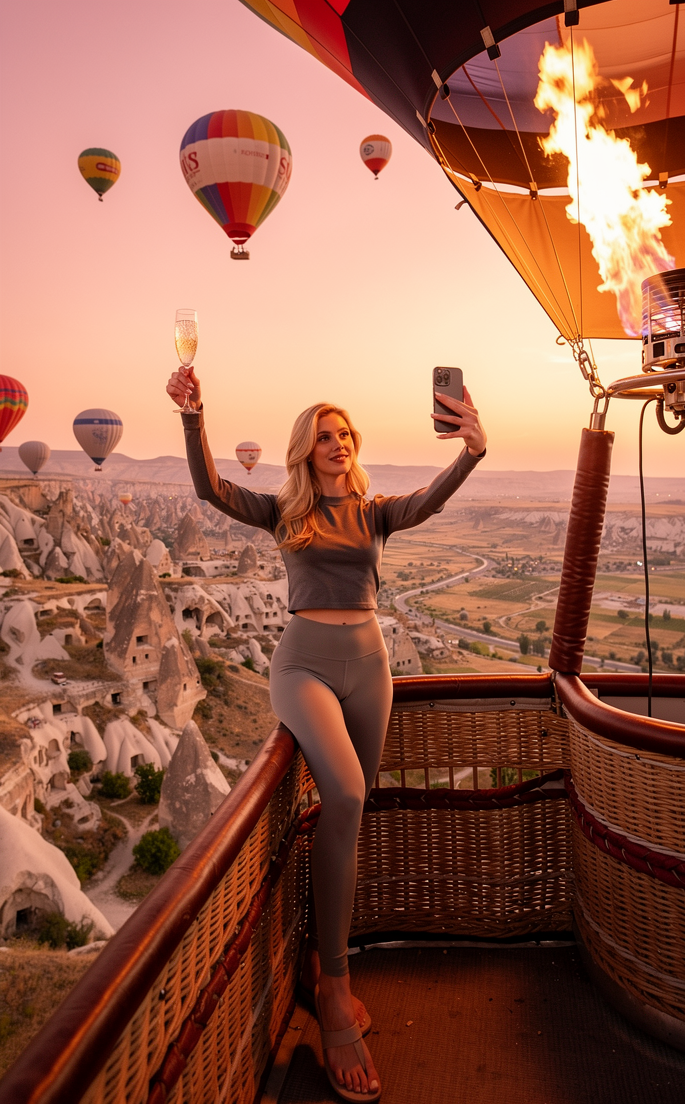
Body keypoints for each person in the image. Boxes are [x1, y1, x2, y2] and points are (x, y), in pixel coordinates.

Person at [167, 366, 487, 1102]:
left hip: (371, 666)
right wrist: (194, 414)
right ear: (304, 450)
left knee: (353, 809)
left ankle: (318, 961)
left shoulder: (374, 512)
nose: (338, 444)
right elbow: (210, 489)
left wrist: (471, 451)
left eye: (344, 434)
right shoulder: (284, 512)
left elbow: (431, 500)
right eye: (323, 437)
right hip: (304, 664)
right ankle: (336, 991)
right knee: (341, 794)